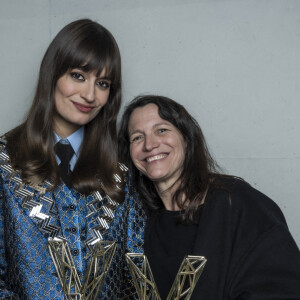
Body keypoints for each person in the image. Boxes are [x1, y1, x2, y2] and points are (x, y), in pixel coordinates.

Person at [0, 19, 142, 299]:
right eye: (78, 75)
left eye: (102, 83)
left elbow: (136, 272)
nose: (89, 95)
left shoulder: (123, 170)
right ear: (52, 75)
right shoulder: (4, 160)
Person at [118, 95, 300, 299]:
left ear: (186, 138)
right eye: (137, 137)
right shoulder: (134, 223)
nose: (149, 145)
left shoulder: (240, 204)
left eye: (162, 130)